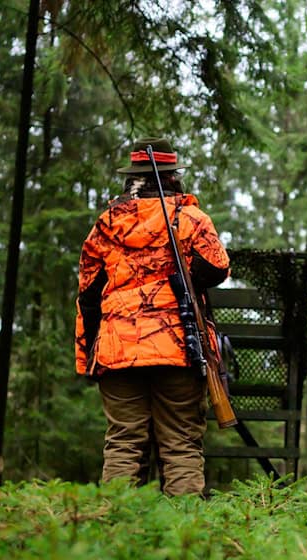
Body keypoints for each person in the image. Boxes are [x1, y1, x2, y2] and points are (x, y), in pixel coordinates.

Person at [74, 137, 229, 496]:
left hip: (118, 352)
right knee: (181, 446)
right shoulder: (190, 219)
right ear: (173, 176)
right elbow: (217, 267)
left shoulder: (105, 225)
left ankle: (116, 535)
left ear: (131, 177)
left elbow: (88, 296)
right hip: (179, 347)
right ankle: (184, 541)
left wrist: (90, 359)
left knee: (124, 444)